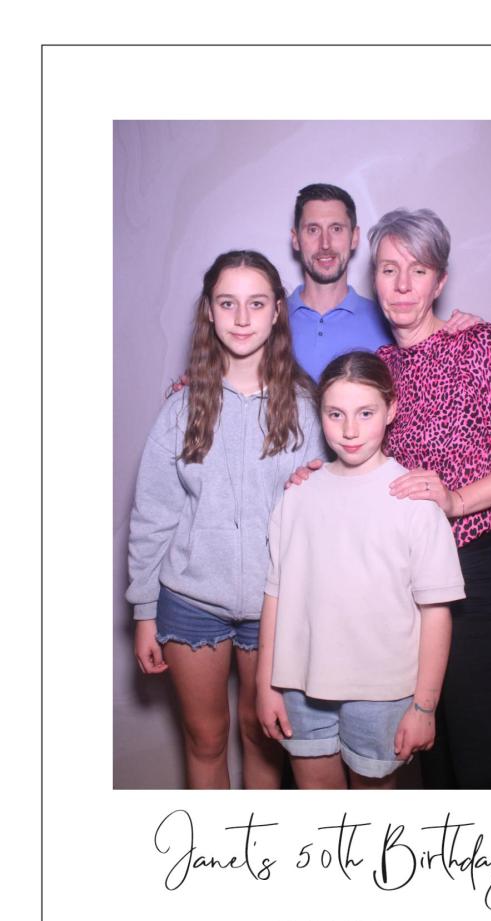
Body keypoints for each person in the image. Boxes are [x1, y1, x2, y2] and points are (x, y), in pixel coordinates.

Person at [290, 208, 491, 790]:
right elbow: (354, 447)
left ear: (440, 281)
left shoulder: (481, 345)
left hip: (471, 573)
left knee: (480, 761)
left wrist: (457, 500)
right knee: (427, 758)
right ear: (375, 278)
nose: (403, 284)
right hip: (398, 585)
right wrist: (319, 472)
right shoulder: (381, 368)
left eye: (419, 270)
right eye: (389, 269)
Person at [127, 250, 325, 790]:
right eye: (227, 303)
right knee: (206, 740)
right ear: (209, 312)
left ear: (277, 311)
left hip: (274, 605)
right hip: (190, 602)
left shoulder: (308, 409)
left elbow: (329, 515)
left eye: (256, 304)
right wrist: (144, 611)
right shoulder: (181, 407)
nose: (241, 318)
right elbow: (153, 515)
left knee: (263, 737)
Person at [256, 351, 466, 789]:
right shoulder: (298, 495)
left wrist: (424, 707)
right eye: (336, 414)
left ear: (392, 409)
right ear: (320, 415)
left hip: (382, 691)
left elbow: (436, 612)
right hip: (300, 684)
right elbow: (275, 595)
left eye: (365, 413)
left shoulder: (415, 501)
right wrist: (265, 684)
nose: (350, 430)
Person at [288, 183, 477, 380]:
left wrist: (473, 333)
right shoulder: (272, 320)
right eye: (313, 230)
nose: (325, 244)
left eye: (336, 229)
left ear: (354, 236)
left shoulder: (393, 317)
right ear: (295, 238)